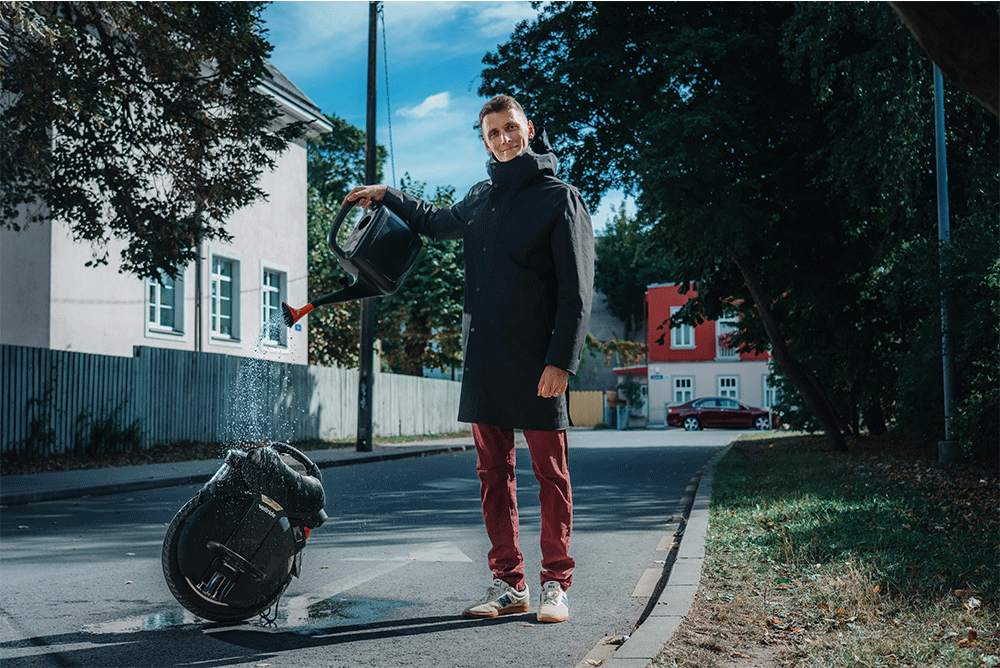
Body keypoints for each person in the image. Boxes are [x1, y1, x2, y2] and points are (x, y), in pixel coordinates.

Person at [345, 95, 594, 624]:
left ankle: (556, 584)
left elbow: (576, 292)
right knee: (492, 474)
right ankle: (509, 584)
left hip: (539, 362)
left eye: (510, 128)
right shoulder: (481, 199)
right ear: (484, 141)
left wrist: (562, 362)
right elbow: (433, 223)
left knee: (551, 473)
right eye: (492, 134)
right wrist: (388, 194)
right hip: (485, 360)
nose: (503, 139)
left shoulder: (560, 199)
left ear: (529, 128)